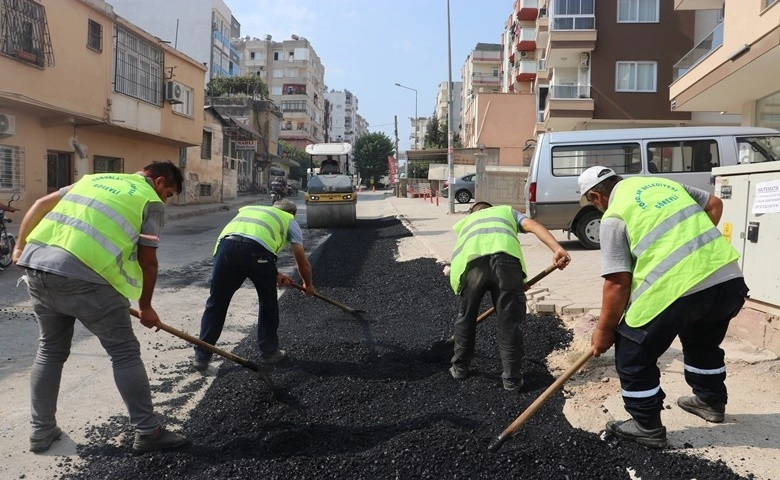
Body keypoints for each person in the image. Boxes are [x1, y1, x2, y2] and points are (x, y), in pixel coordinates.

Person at [12, 161, 189, 455]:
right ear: (159, 182)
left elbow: (41, 204)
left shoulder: (93, 179)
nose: (166, 201)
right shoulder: (150, 201)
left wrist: (19, 247)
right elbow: (148, 261)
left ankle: (41, 431)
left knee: (50, 351)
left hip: (37, 269)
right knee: (124, 353)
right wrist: (146, 307)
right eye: (168, 193)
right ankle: (148, 432)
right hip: (86, 279)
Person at [578, 166, 748, 449]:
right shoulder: (662, 184)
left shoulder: (613, 217)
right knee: (701, 338)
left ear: (596, 196)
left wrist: (604, 330)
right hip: (728, 279)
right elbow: (715, 204)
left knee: (632, 352)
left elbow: (617, 284)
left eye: (592, 202)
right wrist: (697, 253)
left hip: (679, 288)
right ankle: (710, 401)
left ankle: (646, 425)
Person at [448, 201, 571, 392]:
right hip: (506, 263)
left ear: (472, 212)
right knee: (509, 323)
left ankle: (459, 369)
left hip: (471, 265)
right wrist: (557, 249)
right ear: (491, 208)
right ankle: (512, 381)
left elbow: (458, 258)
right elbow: (534, 226)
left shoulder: (467, 222)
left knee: (466, 319)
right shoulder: (505, 212)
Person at [192, 198, 314, 371]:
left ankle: (201, 357)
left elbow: (244, 244)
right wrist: (308, 285)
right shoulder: (289, 220)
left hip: (225, 250)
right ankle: (269, 352)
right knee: (267, 302)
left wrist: (275, 274)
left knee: (216, 302)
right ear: (292, 214)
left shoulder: (251, 211)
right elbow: (301, 261)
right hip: (257, 253)